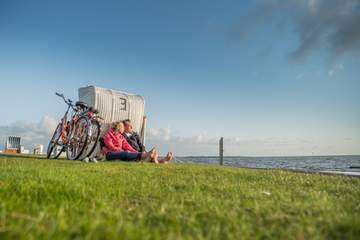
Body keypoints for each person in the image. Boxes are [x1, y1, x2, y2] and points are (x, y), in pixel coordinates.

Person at [102, 121, 173, 164]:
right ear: (119, 127)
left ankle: (162, 160)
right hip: (110, 154)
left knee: (127, 152)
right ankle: (149, 156)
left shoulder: (121, 137)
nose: (123, 129)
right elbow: (110, 146)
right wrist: (121, 151)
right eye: (122, 127)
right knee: (126, 153)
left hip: (121, 153)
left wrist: (137, 152)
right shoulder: (108, 135)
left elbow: (127, 146)